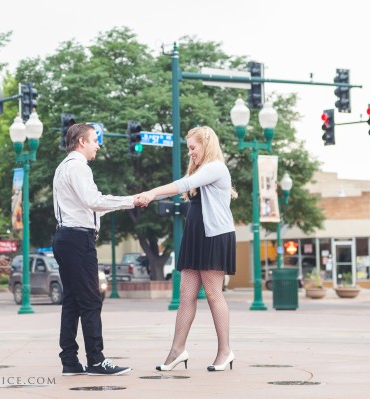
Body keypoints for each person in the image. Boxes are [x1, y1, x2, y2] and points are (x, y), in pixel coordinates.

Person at [138, 126, 237, 372]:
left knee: (213, 294)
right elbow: (181, 189)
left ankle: (225, 351)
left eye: (193, 148)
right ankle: (177, 350)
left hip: (213, 236)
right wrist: (146, 197)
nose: (190, 153)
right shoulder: (202, 170)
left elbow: (183, 184)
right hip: (196, 237)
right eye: (188, 149)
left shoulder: (215, 167)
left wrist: (151, 192)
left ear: (206, 145)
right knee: (186, 294)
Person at [52, 123, 144, 376]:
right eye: (95, 140)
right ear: (81, 142)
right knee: (91, 300)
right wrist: (131, 200)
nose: (98, 145)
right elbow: (93, 201)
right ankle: (96, 360)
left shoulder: (63, 167)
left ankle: (69, 361)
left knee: (72, 301)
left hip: (66, 238)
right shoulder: (78, 167)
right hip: (77, 239)